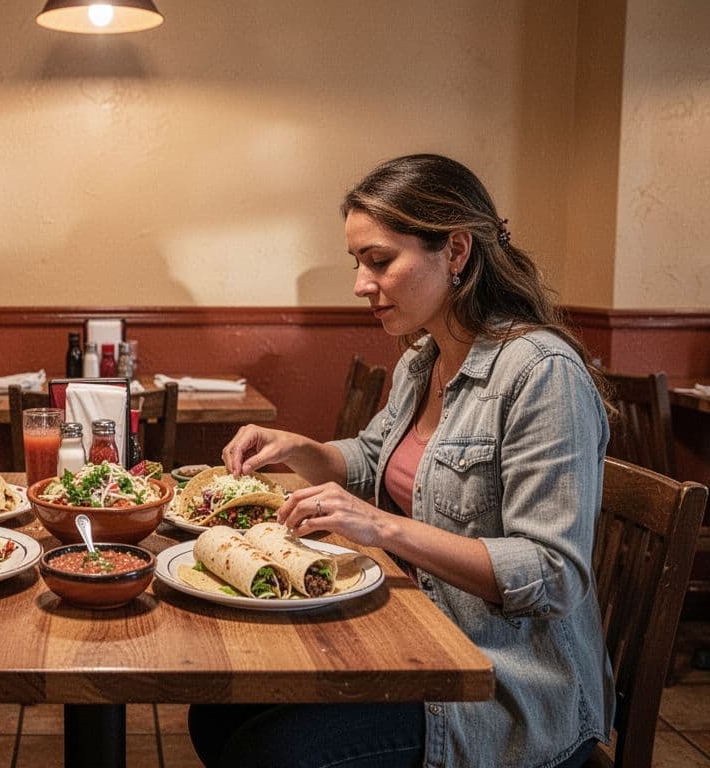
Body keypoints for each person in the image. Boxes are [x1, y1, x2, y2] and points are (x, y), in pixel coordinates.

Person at [194, 154, 615, 768]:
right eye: (358, 263)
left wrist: (381, 526)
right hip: (422, 641)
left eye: (380, 260)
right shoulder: (423, 360)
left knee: (271, 751)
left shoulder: (542, 374)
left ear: (456, 251)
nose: (361, 284)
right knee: (214, 714)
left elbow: (553, 572)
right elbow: (373, 459)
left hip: (504, 687)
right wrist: (298, 448)